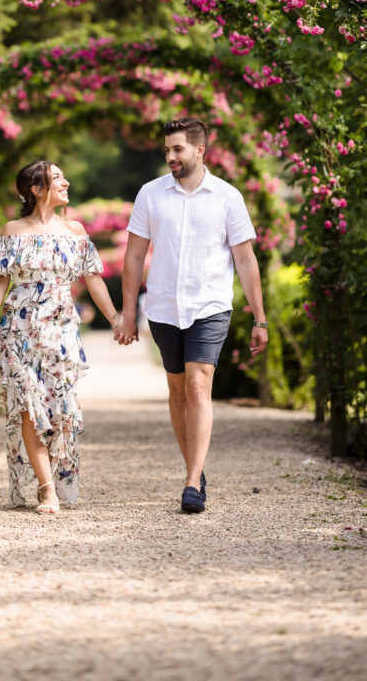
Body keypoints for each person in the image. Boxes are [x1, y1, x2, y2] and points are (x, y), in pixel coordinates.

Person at [114, 117, 268, 514]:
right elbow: (133, 256)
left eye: (177, 149)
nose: (170, 156)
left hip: (210, 305)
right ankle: (195, 472)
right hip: (164, 306)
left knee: (199, 386)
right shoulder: (151, 194)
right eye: (167, 149)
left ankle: (190, 483)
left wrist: (259, 318)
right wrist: (129, 313)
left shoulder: (227, 197)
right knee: (178, 391)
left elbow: (246, 260)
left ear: (201, 150)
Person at [0, 160, 119, 515]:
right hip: (19, 332)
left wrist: (115, 317)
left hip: (60, 332)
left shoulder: (75, 231)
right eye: (57, 178)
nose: (65, 182)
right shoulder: (13, 230)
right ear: (36, 189)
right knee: (28, 407)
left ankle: (54, 476)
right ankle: (46, 489)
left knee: (59, 410)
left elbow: (93, 278)